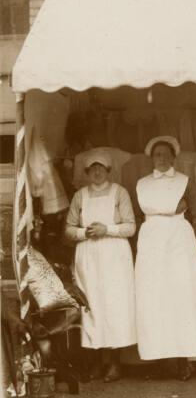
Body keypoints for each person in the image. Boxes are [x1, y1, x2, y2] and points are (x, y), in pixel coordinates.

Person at [135, 136, 196, 379]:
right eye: (157, 155)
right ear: (151, 158)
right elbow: (138, 217)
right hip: (150, 244)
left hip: (178, 243)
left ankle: (182, 361)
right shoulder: (142, 184)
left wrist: (188, 240)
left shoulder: (184, 182)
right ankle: (158, 359)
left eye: (166, 154)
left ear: (173, 157)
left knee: (180, 298)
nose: (162, 159)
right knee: (154, 299)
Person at [65, 150, 137, 382]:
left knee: (114, 305)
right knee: (92, 305)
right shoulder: (80, 196)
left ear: (108, 170)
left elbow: (130, 227)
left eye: (101, 168)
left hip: (114, 255)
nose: (97, 172)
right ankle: (96, 362)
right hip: (88, 256)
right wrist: (83, 232)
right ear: (86, 172)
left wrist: (108, 229)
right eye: (92, 168)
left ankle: (115, 363)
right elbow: (68, 229)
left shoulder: (120, 192)